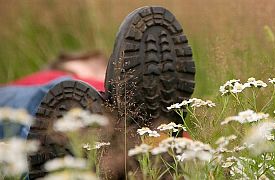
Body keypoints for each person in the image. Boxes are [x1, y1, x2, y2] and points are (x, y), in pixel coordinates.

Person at [0, 6, 196, 179]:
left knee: (54, 106)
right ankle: (134, 157)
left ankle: (117, 158)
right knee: (62, 97)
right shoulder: (47, 80)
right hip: (34, 104)